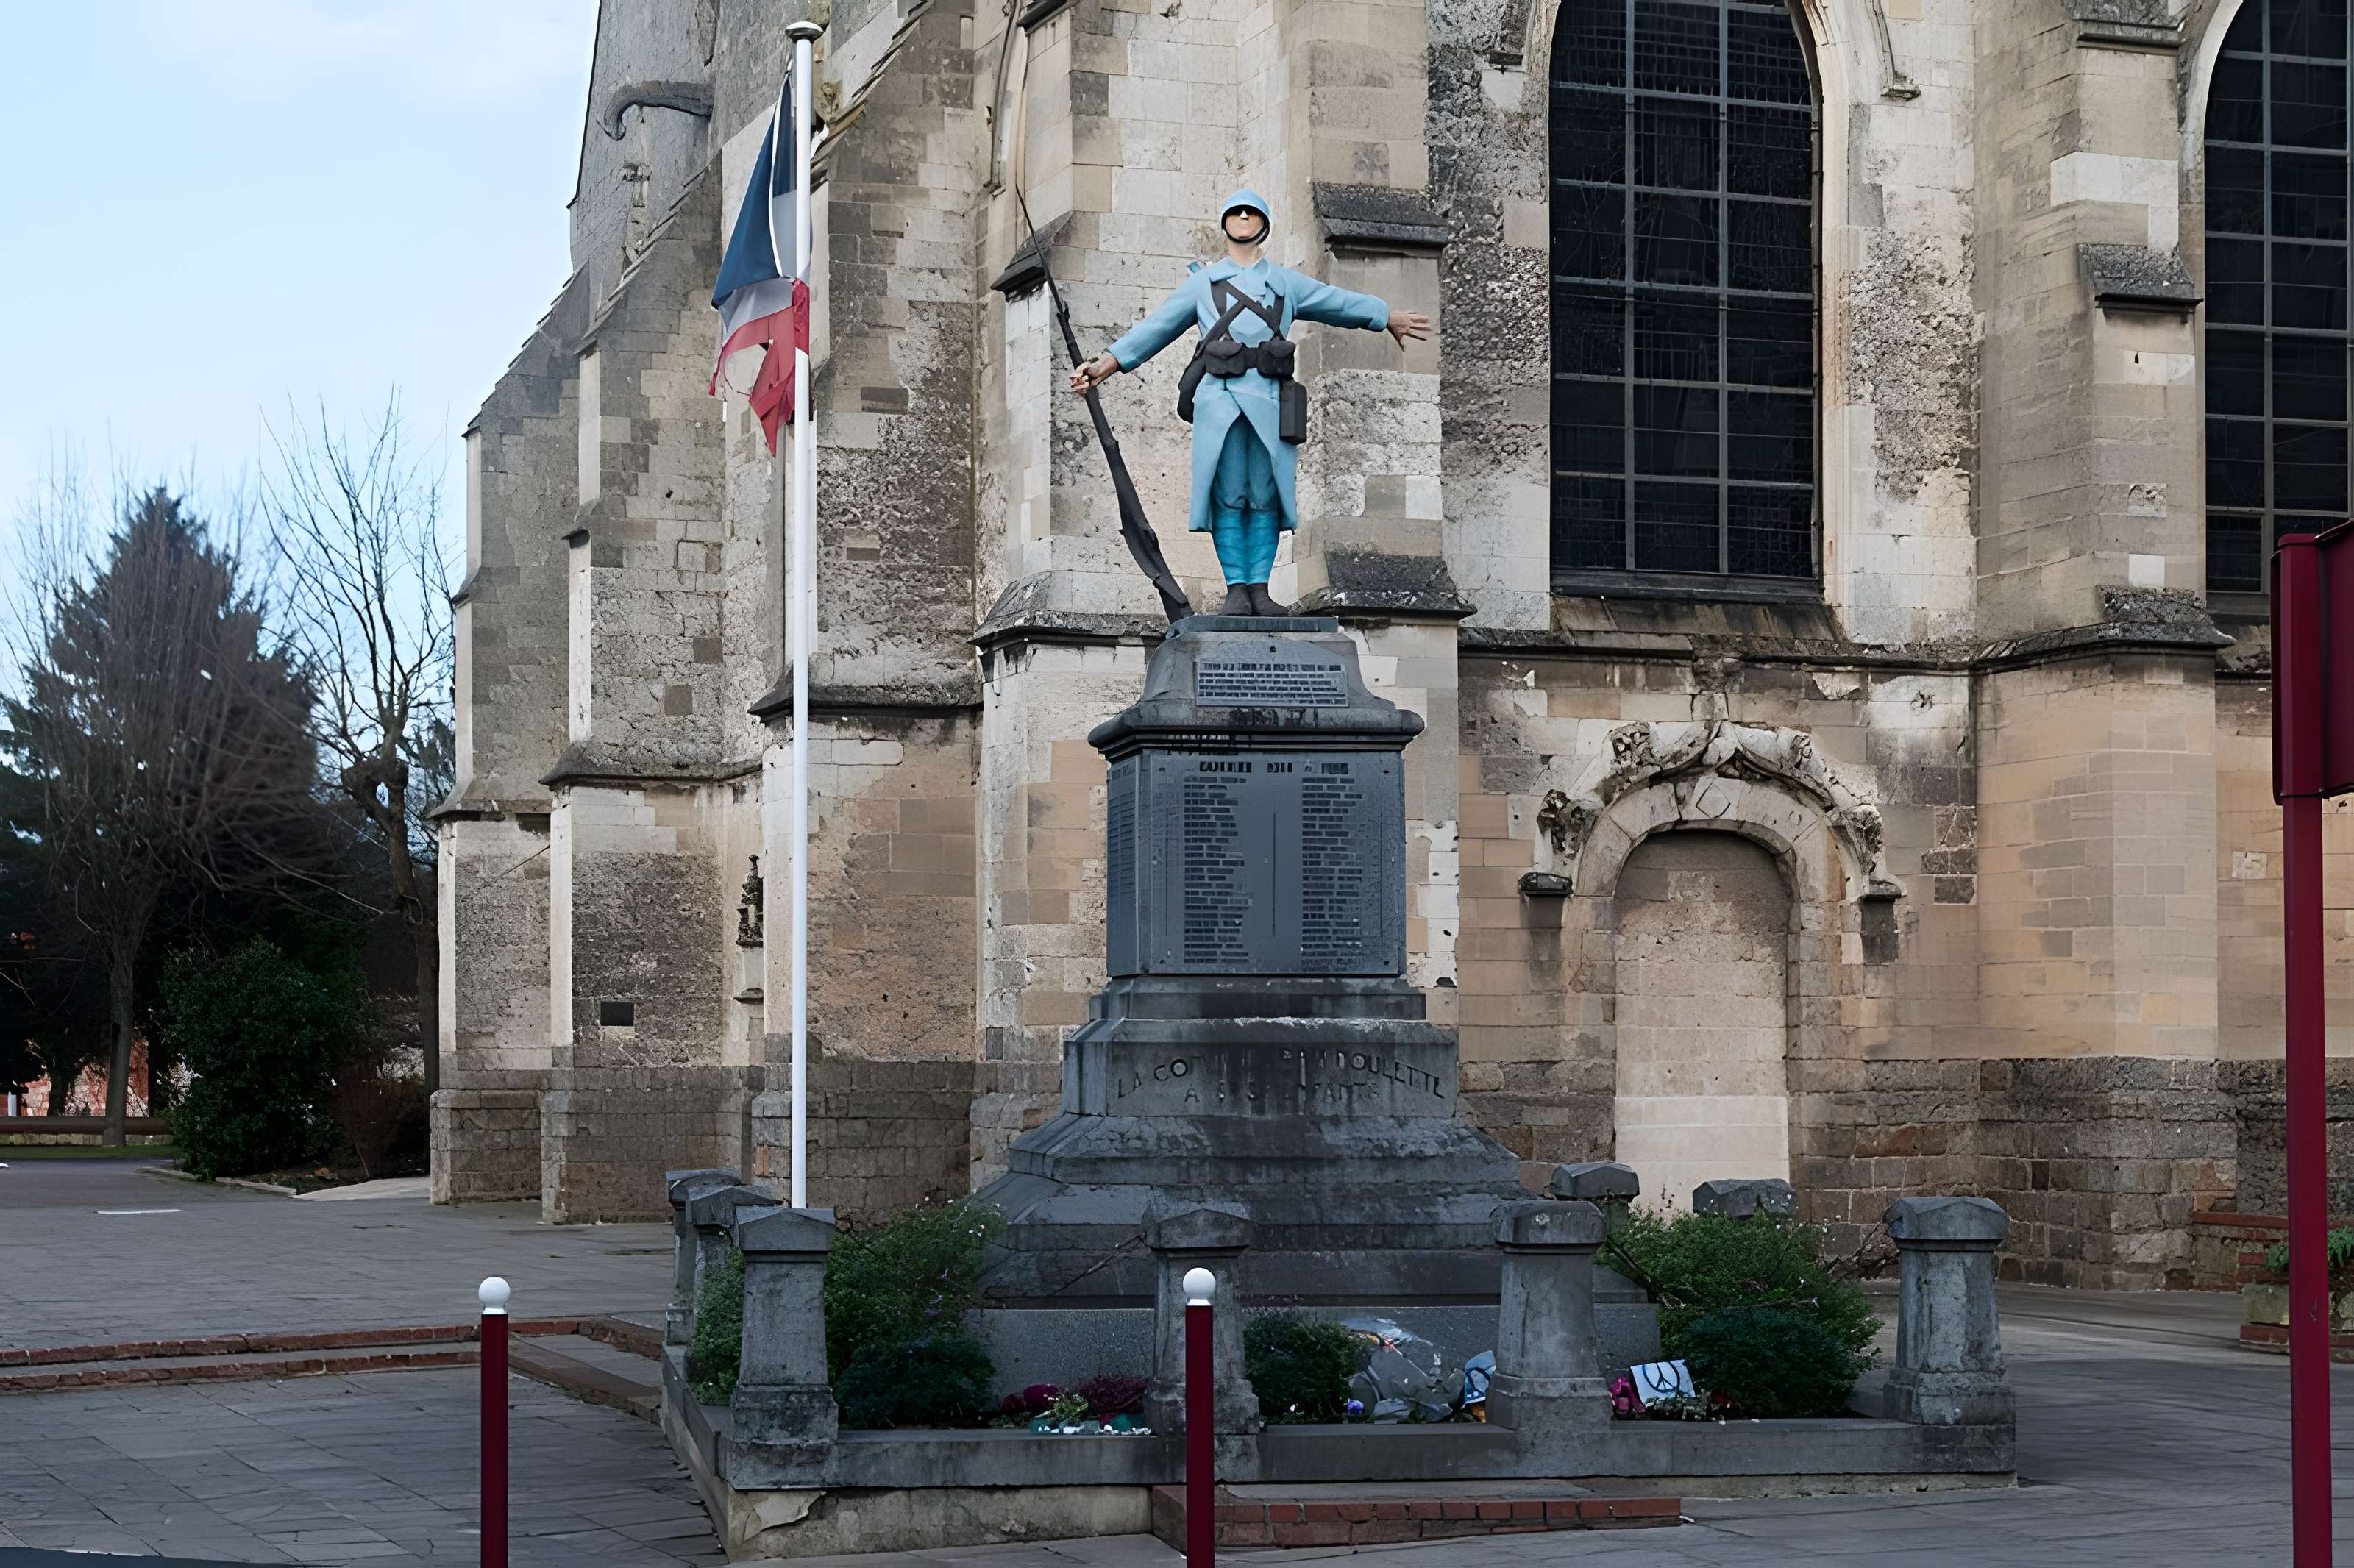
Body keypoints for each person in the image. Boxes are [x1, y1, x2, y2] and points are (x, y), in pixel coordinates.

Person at [1070, 190, 1433, 617]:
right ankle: (1236, 589)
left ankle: (1259, 588)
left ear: (1264, 223)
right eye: (1236, 212)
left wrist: (1385, 316)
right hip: (1219, 401)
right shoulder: (1203, 283)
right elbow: (1157, 327)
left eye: (1252, 212)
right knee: (1227, 495)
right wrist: (1106, 364)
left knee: (1265, 496)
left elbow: (1335, 301)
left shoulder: (1285, 283)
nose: (1243, 217)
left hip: (1271, 400)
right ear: (1225, 223)